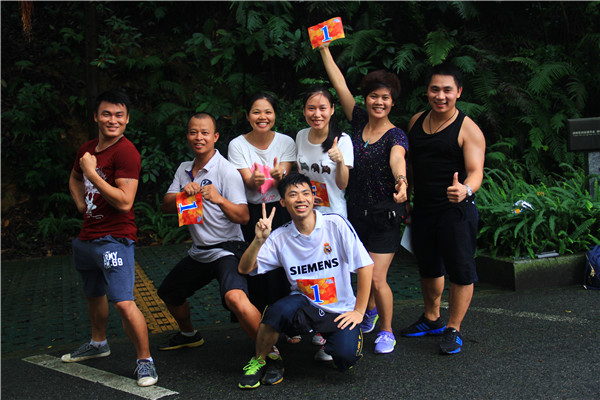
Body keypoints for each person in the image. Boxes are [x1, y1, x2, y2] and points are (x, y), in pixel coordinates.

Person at [237, 172, 374, 390]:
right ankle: (260, 359)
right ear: (283, 202)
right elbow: (245, 268)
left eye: (305, 193)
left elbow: (365, 265)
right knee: (278, 310)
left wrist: (359, 311)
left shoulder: (335, 224)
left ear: (313, 197)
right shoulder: (280, 236)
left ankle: (329, 342)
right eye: (293, 195)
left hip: (338, 309)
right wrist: (258, 240)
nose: (301, 199)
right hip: (304, 305)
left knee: (346, 357)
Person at [63, 90, 158, 387]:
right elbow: (74, 177)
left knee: (123, 302)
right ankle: (98, 343)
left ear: (127, 119)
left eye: (119, 115)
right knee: (93, 293)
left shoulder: (126, 152)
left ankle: (145, 361)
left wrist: (92, 173)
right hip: (87, 237)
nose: (112, 120)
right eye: (106, 114)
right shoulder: (87, 149)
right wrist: (81, 204)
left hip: (114, 238)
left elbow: (125, 201)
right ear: (96, 117)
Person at [319, 43, 408, 354]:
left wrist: (401, 181)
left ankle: (386, 331)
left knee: (377, 277)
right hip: (355, 214)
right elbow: (340, 85)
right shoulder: (358, 121)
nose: (379, 102)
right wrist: (324, 50)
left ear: (392, 102)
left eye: (385, 98)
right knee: (358, 273)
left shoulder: (396, 135)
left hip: (385, 216)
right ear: (366, 99)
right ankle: (368, 310)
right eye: (373, 96)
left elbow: (397, 158)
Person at [157, 113, 265, 354]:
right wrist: (183, 195)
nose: (199, 137)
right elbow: (165, 207)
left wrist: (219, 199)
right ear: (187, 136)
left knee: (235, 298)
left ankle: (270, 352)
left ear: (215, 137)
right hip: (199, 251)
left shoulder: (226, 171)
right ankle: (189, 335)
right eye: (193, 132)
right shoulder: (184, 169)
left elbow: (244, 217)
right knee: (169, 292)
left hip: (227, 249)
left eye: (205, 133)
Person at [401, 63, 485, 355]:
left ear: (458, 92)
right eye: (435, 89)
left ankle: (454, 328)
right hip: (424, 209)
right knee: (428, 266)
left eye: (447, 90)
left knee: (461, 270)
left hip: (456, 211)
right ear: (427, 91)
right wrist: (407, 196)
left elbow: (476, 172)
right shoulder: (416, 121)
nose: (441, 96)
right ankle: (432, 318)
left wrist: (466, 189)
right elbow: (411, 165)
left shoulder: (468, 129)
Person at [227, 92, 297, 318]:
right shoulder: (237, 145)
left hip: (281, 210)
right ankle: (256, 318)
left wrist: (279, 175)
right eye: (256, 112)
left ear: (275, 115)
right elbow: (247, 181)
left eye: (268, 112)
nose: (262, 117)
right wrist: (254, 180)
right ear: (248, 116)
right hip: (253, 212)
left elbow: (284, 177)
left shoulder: (286, 142)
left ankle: (287, 320)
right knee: (254, 264)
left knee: (282, 265)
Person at [295, 86, 354, 353]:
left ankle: (336, 332)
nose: (316, 114)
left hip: (333, 218)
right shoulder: (300, 136)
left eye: (322, 108)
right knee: (311, 273)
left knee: (334, 275)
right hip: (306, 217)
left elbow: (342, 184)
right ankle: (319, 327)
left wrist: (340, 161)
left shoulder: (342, 141)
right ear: (304, 111)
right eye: (311, 108)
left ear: (332, 110)